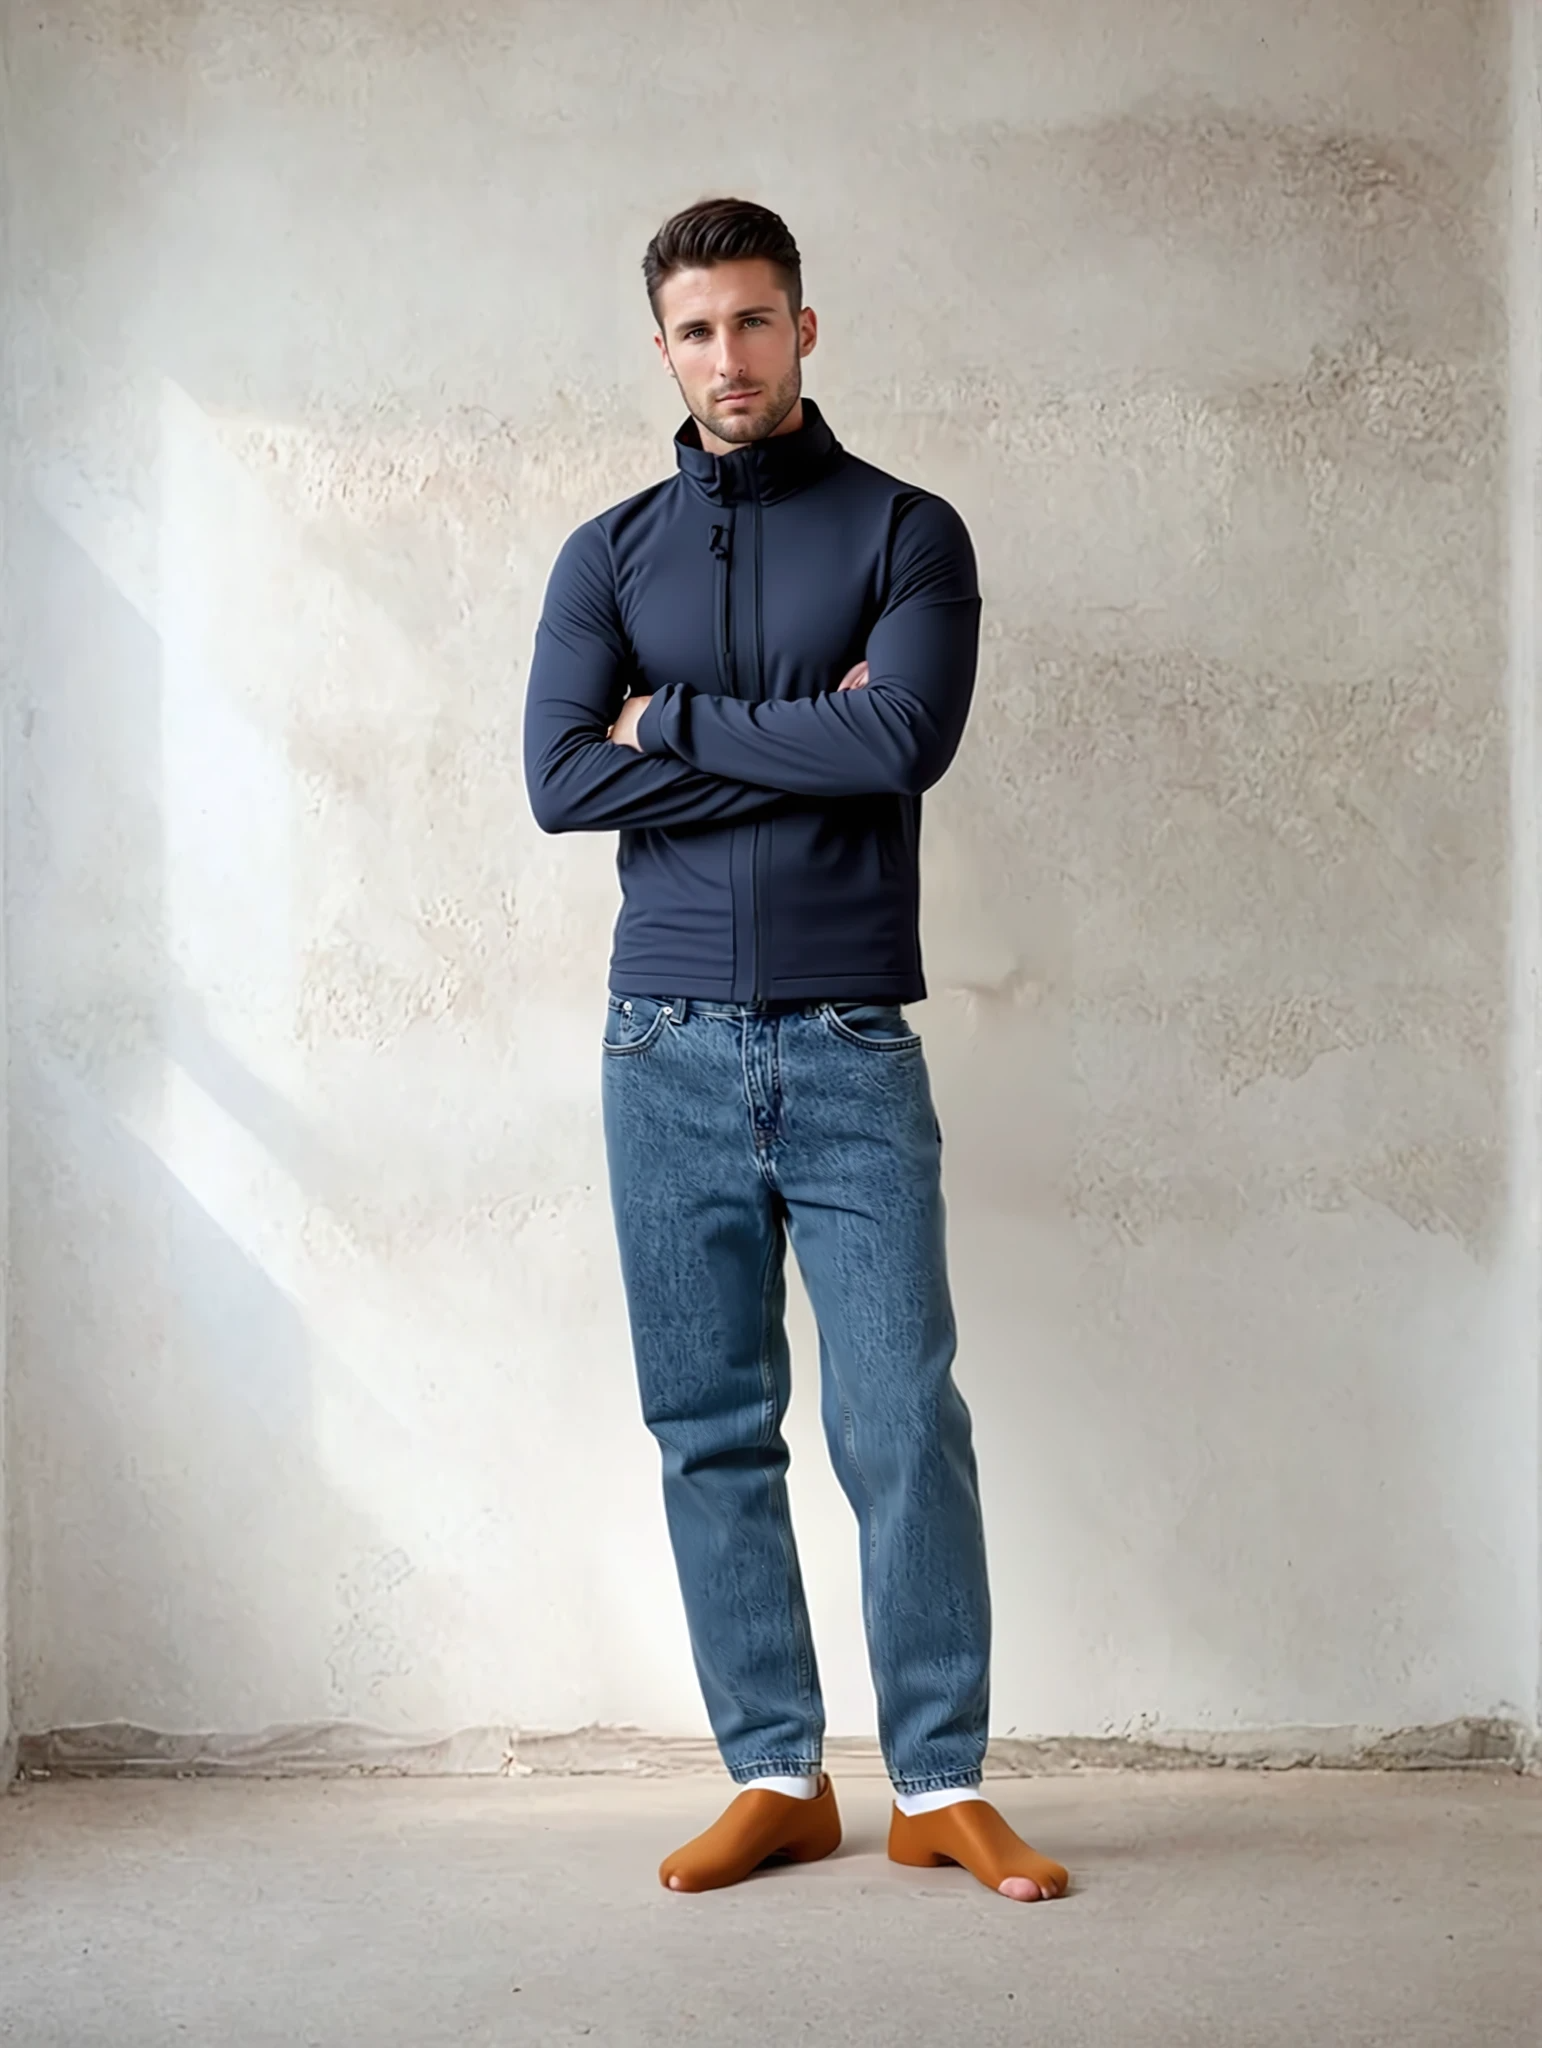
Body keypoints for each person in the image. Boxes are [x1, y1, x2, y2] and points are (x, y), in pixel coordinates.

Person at [523, 196, 1067, 1904]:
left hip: (845, 1039)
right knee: (707, 1423)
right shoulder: (608, 554)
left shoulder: (904, 530)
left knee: (900, 1417)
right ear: (662, 347)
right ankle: (774, 1773)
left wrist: (670, 722)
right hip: (659, 1040)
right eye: (696, 330)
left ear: (803, 329)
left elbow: (900, 739)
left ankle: (939, 1783)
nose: (728, 356)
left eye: (754, 321)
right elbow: (558, 779)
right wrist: (797, 742)